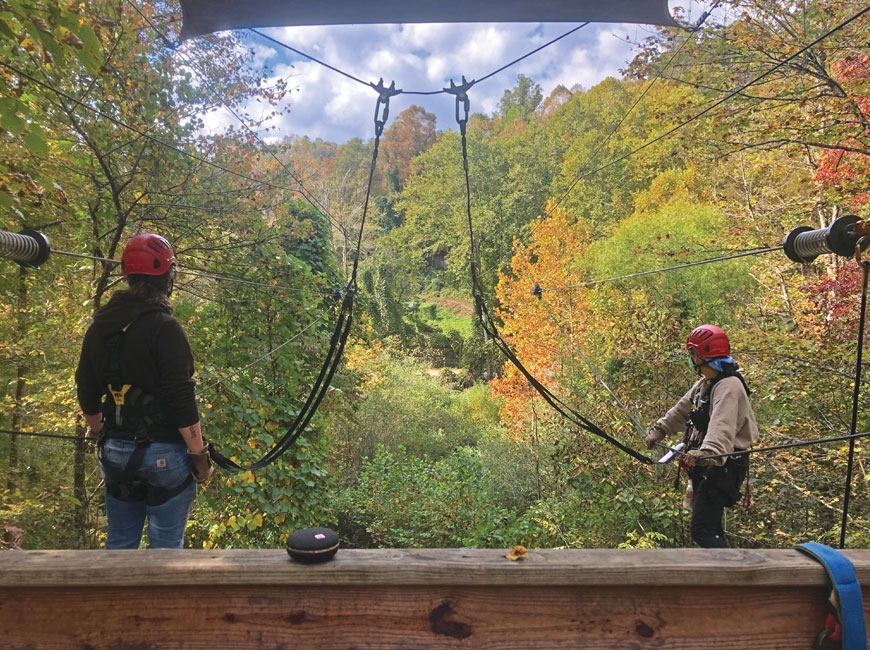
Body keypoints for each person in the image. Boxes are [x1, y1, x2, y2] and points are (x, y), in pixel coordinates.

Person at [76, 233, 213, 548]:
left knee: (120, 541)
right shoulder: (165, 329)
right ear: (167, 278)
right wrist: (199, 455)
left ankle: (114, 598)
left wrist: (99, 430)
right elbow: (181, 399)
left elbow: (86, 387)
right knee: (165, 545)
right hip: (163, 453)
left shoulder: (100, 328)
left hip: (114, 452)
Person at [645, 324, 759, 548]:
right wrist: (659, 430)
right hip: (707, 465)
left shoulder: (729, 386)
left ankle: (732, 576)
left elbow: (722, 424)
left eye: (693, 354)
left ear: (701, 356)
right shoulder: (706, 384)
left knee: (702, 530)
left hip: (723, 464)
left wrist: (708, 452)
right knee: (711, 528)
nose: (691, 359)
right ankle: (725, 576)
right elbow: (682, 409)